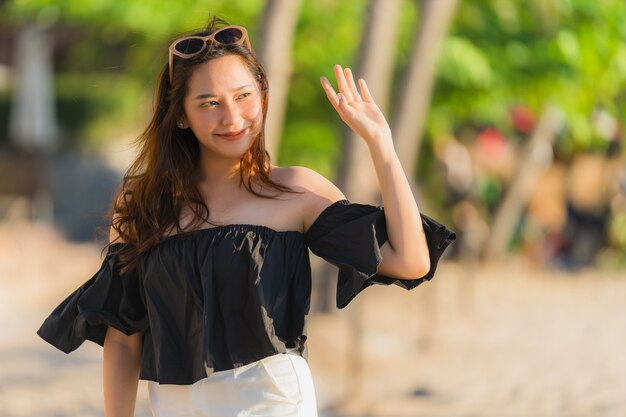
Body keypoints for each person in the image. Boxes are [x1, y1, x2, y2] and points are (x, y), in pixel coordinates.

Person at [37, 17, 455, 417]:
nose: (233, 118)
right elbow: (124, 338)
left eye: (243, 96)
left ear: (262, 95)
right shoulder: (143, 202)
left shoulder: (296, 191)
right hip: (173, 405)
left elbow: (411, 260)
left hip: (268, 400)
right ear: (180, 115)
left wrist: (381, 145)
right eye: (210, 103)